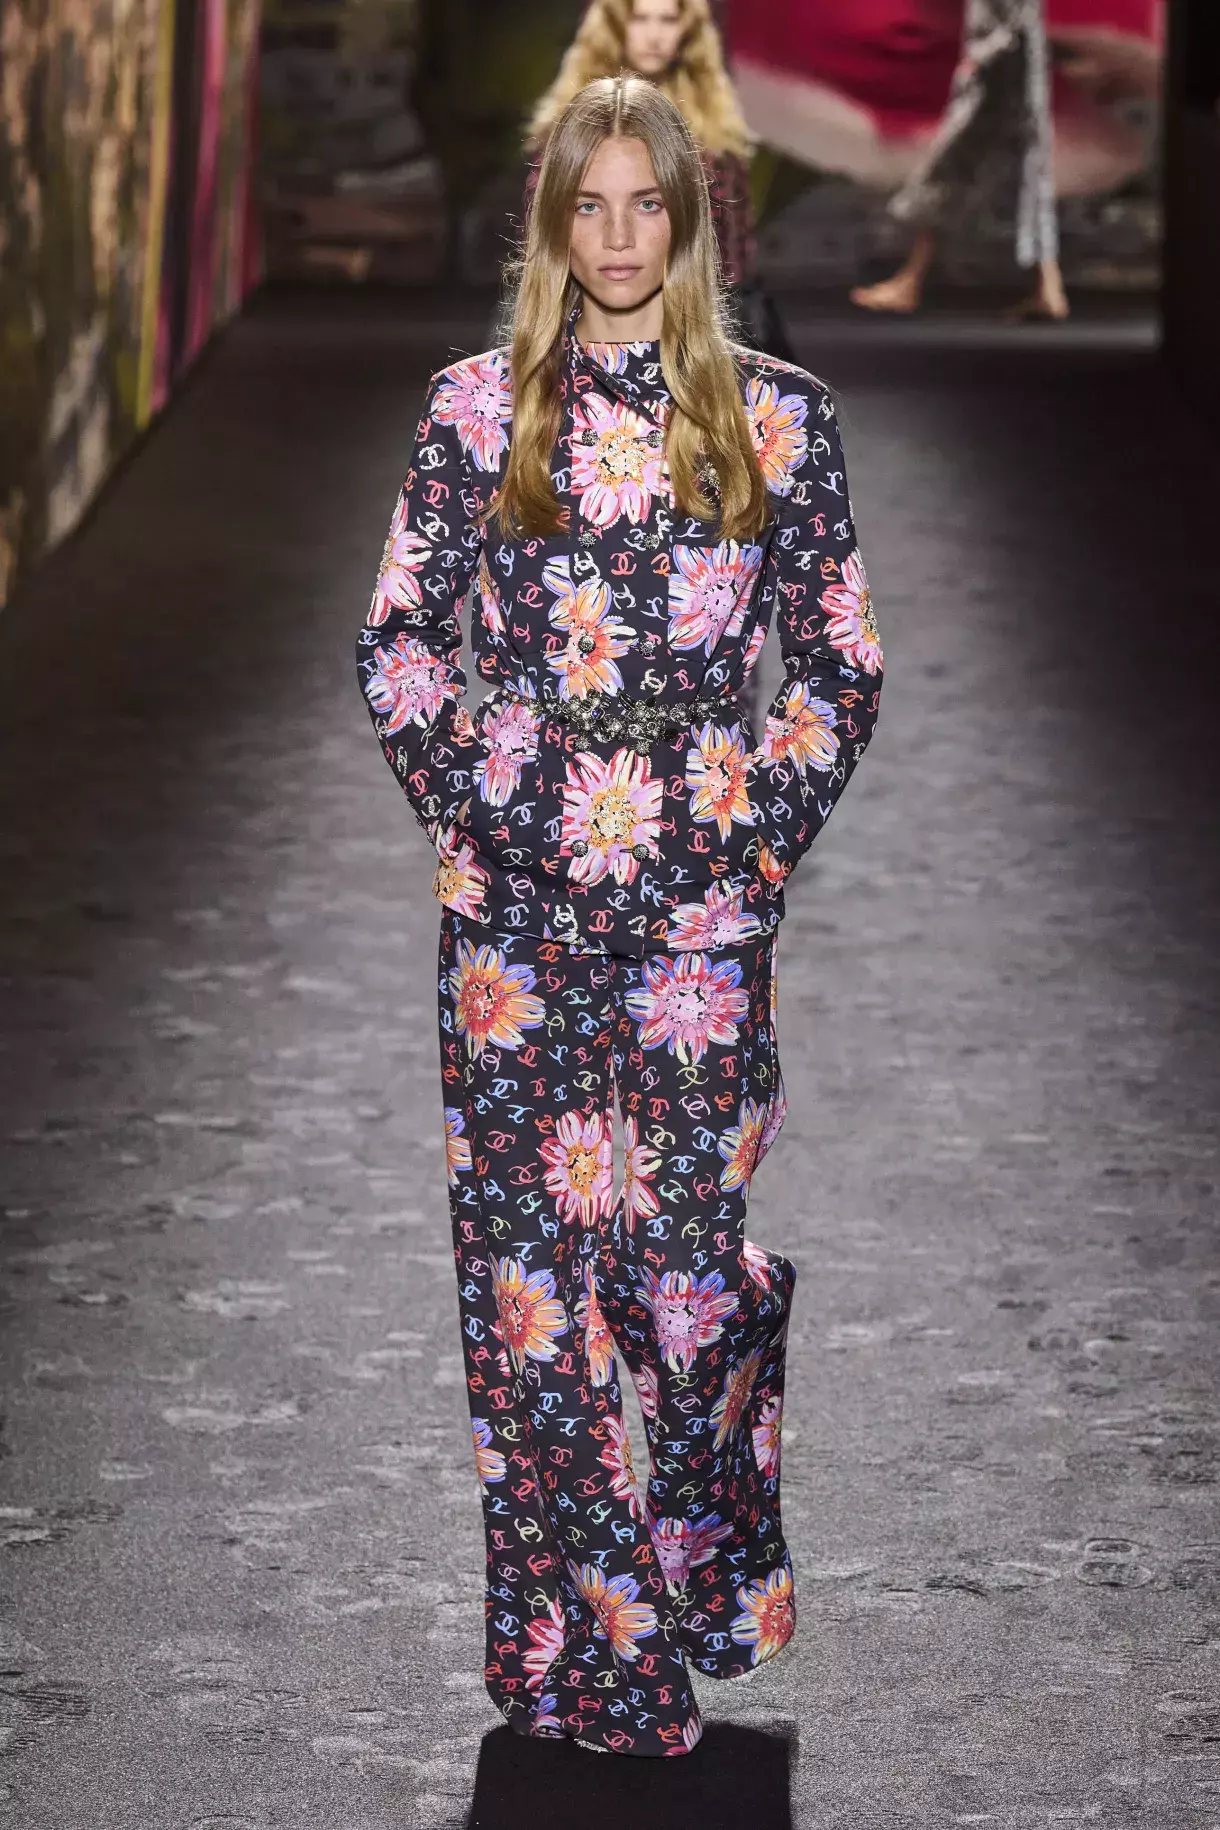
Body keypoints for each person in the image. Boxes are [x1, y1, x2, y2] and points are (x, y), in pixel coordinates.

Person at [357, 75, 882, 1757]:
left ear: (691, 221)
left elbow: (841, 661)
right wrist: (484, 801)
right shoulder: (476, 410)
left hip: (700, 923)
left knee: (680, 1275)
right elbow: (398, 641)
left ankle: (713, 1527)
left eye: (646, 202)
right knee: (535, 1289)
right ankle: (594, 1654)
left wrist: (756, 834)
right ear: (551, 223)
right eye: (587, 204)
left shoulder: (779, 421)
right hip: (514, 916)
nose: (618, 235)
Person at [527, 0, 791, 354]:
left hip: (713, 319)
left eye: (668, 20)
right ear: (613, 27)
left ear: (688, 31)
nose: (654, 35)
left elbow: (736, 247)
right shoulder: (570, 130)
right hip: (583, 326)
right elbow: (540, 241)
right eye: (640, 19)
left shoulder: (717, 131)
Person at [851, 0, 1069, 320]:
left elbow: (1014, 13)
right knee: (1027, 166)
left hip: (999, 63)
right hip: (1010, 59)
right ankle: (1048, 287)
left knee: (952, 165)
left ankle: (910, 281)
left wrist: (985, 55)